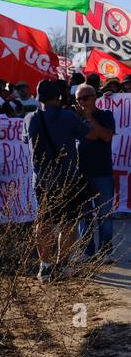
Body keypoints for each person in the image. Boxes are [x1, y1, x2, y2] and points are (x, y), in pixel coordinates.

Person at [28, 79, 96, 282]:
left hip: (42, 181)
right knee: (68, 224)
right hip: (67, 179)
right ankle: (63, 265)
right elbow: (91, 135)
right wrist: (82, 117)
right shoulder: (68, 117)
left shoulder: (30, 118)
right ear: (58, 97)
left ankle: (45, 267)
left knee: (45, 223)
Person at [74, 82, 117, 258]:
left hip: (102, 172)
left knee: (105, 215)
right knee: (84, 217)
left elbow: (106, 136)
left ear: (95, 97)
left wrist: (89, 117)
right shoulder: (73, 117)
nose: (82, 102)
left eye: (86, 98)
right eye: (78, 99)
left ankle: (106, 252)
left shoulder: (105, 115)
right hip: (80, 173)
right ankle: (87, 252)